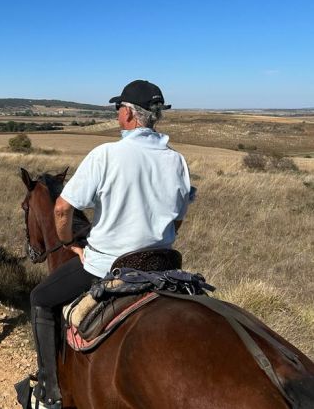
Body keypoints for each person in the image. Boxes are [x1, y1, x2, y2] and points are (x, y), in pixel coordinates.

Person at [28, 80, 193, 409]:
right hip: (163, 266)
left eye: (119, 108)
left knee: (40, 299)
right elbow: (178, 219)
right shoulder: (177, 161)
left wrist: (68, 242)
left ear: (130, 115)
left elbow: (62, 208)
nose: (117, 113)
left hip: (107, 266)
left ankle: (50, 390)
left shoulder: (106, 154)